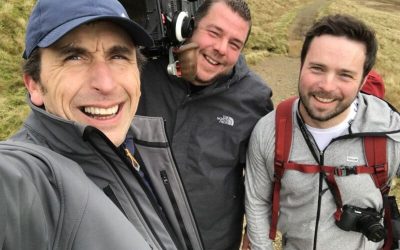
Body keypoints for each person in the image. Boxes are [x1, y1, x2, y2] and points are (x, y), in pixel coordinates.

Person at [0, 0, 204, 249]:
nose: (106, 84)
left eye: (118, 55)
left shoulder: (141, 144)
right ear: (34, 84)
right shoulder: (28, 176)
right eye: (74, 57)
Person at [245, 14, 400, 250]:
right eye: (317, 68)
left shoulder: (390, 134)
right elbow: (257, 202)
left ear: (363, 81)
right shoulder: (269, 131)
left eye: (345, 75)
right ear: (301, 65)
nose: (327, 86)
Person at [135, 0, 274, 249]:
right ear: (188, 27)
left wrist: (253, 239)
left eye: (234, 44)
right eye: (214, 33)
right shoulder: (139, 72)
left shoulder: (255, 99)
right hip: (135, 237)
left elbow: (262, 185)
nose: (221, 48)